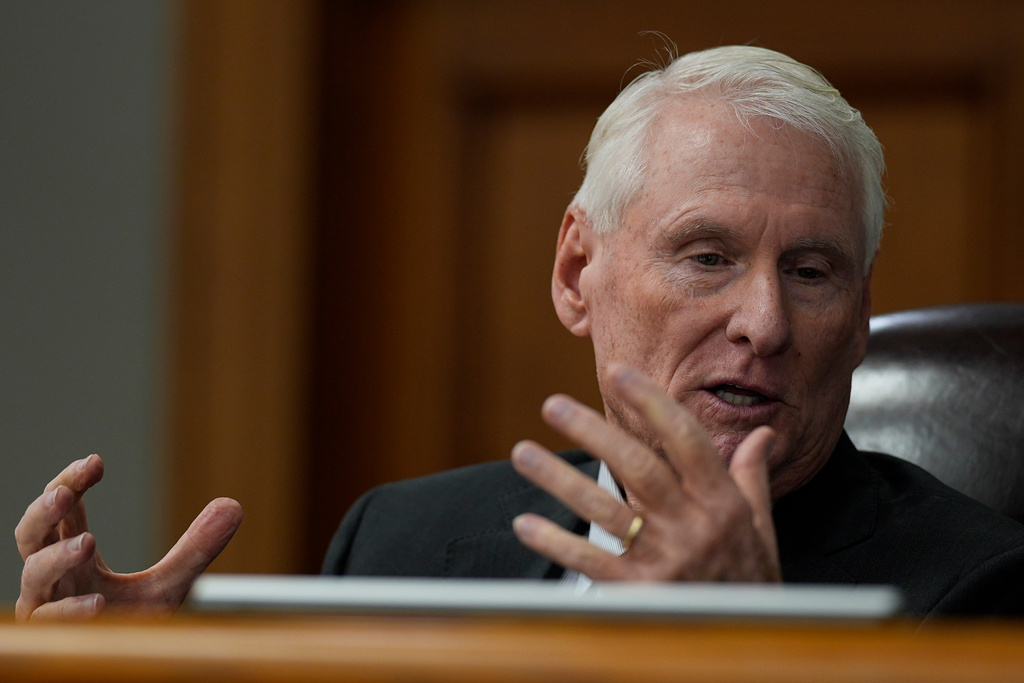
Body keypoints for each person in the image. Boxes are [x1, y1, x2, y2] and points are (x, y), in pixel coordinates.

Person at [16, 45, 1024, 622]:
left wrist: (745, 646)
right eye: (708, 256)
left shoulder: (978, 589)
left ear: (858, 316)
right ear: (577, 272)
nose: (763, 323)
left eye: (810, 273)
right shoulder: (400, 544)